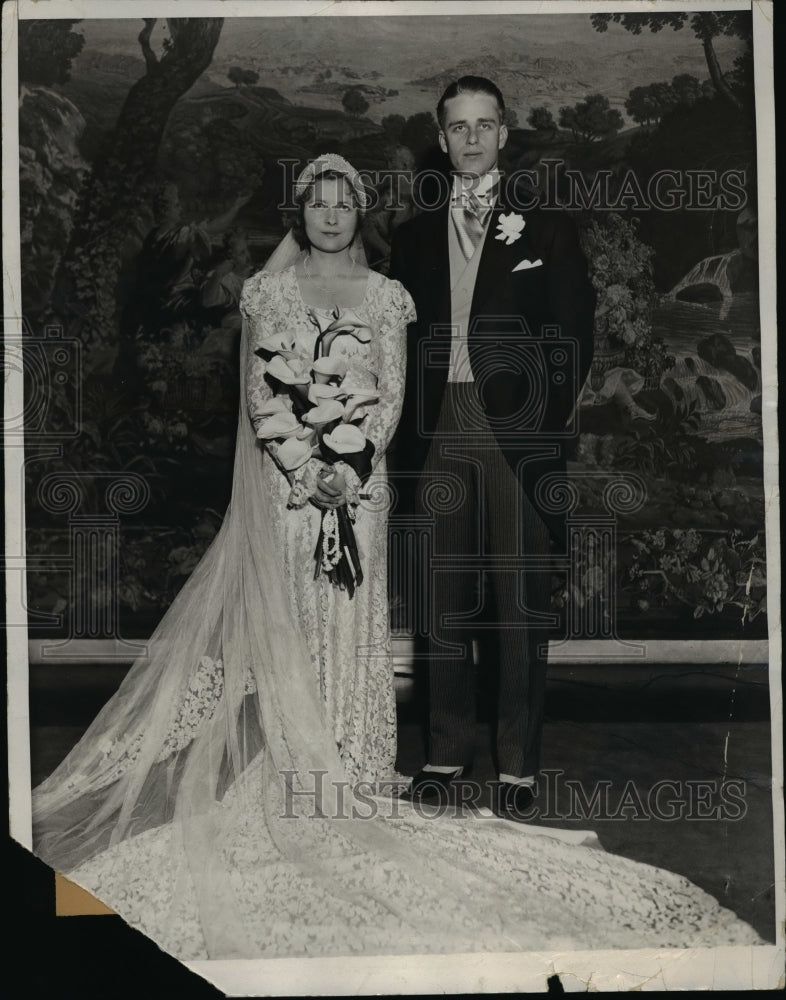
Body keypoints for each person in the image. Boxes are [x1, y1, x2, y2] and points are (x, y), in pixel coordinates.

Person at [30, 155, 763, 961]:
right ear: (301, 212)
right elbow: (264, 393)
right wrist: (304, 467)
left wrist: (352, 463)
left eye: (346, 204)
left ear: (360, 212)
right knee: (296, 627)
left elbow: (394, 392)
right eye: (320, 204)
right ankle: (290, 765)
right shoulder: (271, 293)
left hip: (363, 486)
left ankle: (352, 768)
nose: (333, 216)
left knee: (354, 622)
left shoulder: (387, 297)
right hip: (291, 493)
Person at [390, 77, 597, 818]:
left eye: (485, 125)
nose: (472, 138)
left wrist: (543, 424)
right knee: (441, 600)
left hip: (518, 431)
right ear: (440, 138)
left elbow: (575, 337)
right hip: (437, 423)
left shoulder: (547, 226)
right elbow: (397, 341)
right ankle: (444, 750)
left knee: (518, 602)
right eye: (457, 127)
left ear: (504, 133)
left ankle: (518, 764)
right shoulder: (410, 236)